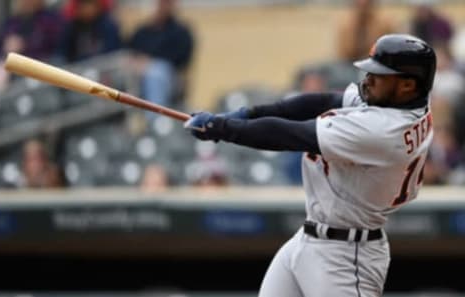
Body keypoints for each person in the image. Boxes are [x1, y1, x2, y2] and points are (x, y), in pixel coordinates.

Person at [184, 34, 436, 296]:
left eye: (379, 74)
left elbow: (288, 135)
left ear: (407, 85)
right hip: (308, 239)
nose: (368, 79)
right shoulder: (407, 100)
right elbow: (323, 101)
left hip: (347, 258)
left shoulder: (382, 130)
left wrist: (224, 128)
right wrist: (250, 114)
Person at [128, 0, 194, 108]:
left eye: (167, 3)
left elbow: (181, 59)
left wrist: (150, 62)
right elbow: (129, 51)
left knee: (155, 74)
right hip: (138, 74)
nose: (162, 6)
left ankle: (155, 120)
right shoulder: (142, 31)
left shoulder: (181, 31)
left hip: (169, 77)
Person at [56, 0, 121, 63]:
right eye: (82, 6)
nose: (86, 9)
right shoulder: (73, 27)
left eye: (89, 5)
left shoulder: (108, 26)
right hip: (76, 68)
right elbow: (63, 51)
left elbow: (112, 53)